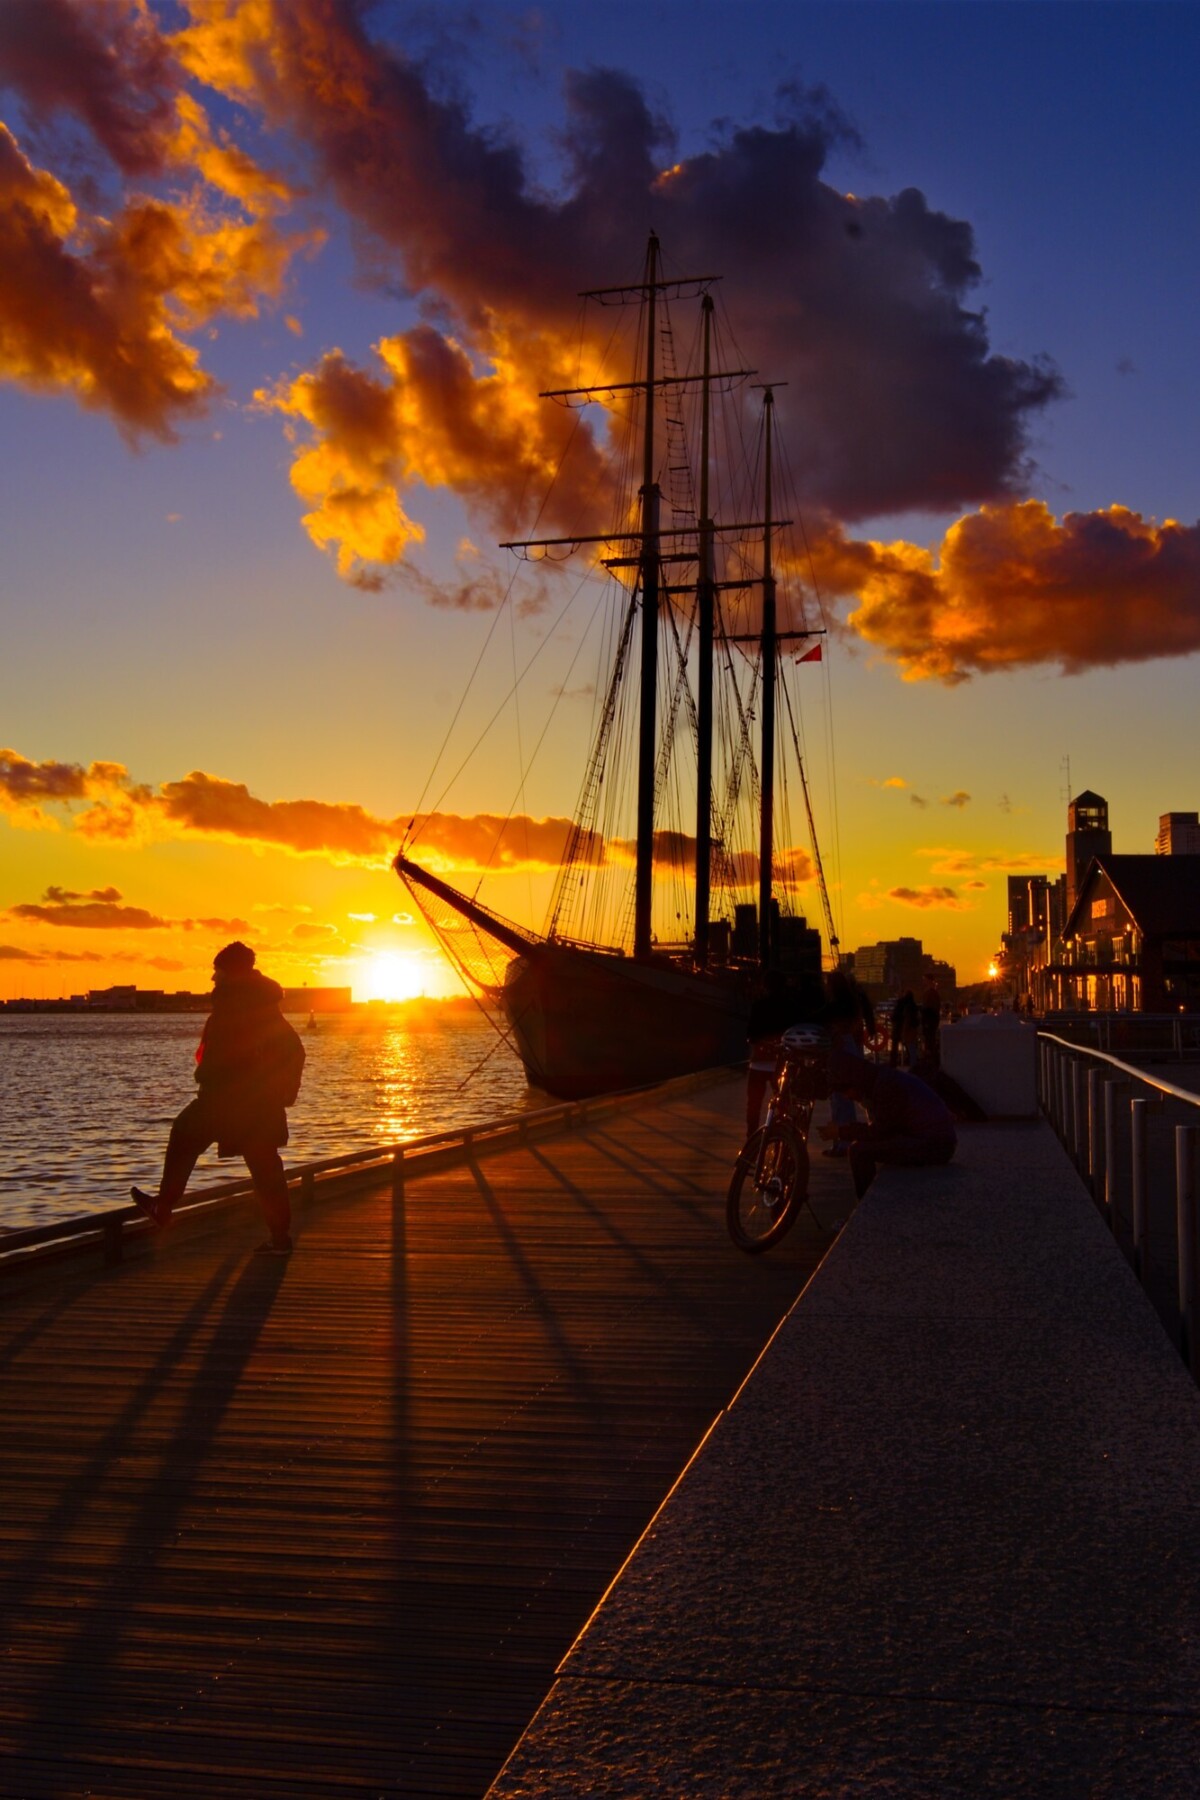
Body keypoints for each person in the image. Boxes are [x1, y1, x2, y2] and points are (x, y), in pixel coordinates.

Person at [131, 941, 305, 1256]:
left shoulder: (238, 1005)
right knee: (266, 1169)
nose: (213, 978)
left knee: (184, 1133)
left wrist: (226, 1080)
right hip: (257, 1104)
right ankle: (280, 1240)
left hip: (227, 1100)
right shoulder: (261, 1004)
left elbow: (235, 1054)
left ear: (230, 973)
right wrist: (284, 1091)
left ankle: (164, 1206)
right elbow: (293, 1050)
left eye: (217, 971)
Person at [821, 1049, 956, 1200]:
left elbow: (879, 1132)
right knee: (865, 1146)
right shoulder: (883, 1079)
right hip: (933, 1140)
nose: (847, 1097)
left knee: (858, 1151)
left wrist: (841, 1132)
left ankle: (868, 1206)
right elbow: (884, 1128)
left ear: (854, 1083)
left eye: (845, 1092)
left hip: (934, 1146)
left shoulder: (885, 1087)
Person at [823, 968, 876, 1156]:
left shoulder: (836, 1005)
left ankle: (843, 1142)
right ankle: (843, 1140)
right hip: (849, 1047)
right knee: (842, 1098)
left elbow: (825, 1019)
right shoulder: (851, 1002)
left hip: (839, 1050)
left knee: (840, 1098)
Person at [890, 989, 921, 1069]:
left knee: (896, 1047)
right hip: (909, 1030)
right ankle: (912, 1064)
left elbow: (896, 1016)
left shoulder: (900, 1004)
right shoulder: (912, 1005)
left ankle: (894, 1064)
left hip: (900, 1029)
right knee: (911, 1048)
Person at [919, 978, 942, 1067]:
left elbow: (929, 1008)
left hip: (929, 1020)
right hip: (931, 1020)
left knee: (929, 1041)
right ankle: (932, 1061)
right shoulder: (933, 993)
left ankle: (931, 1062)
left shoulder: (930, 994)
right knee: (930, 1040)